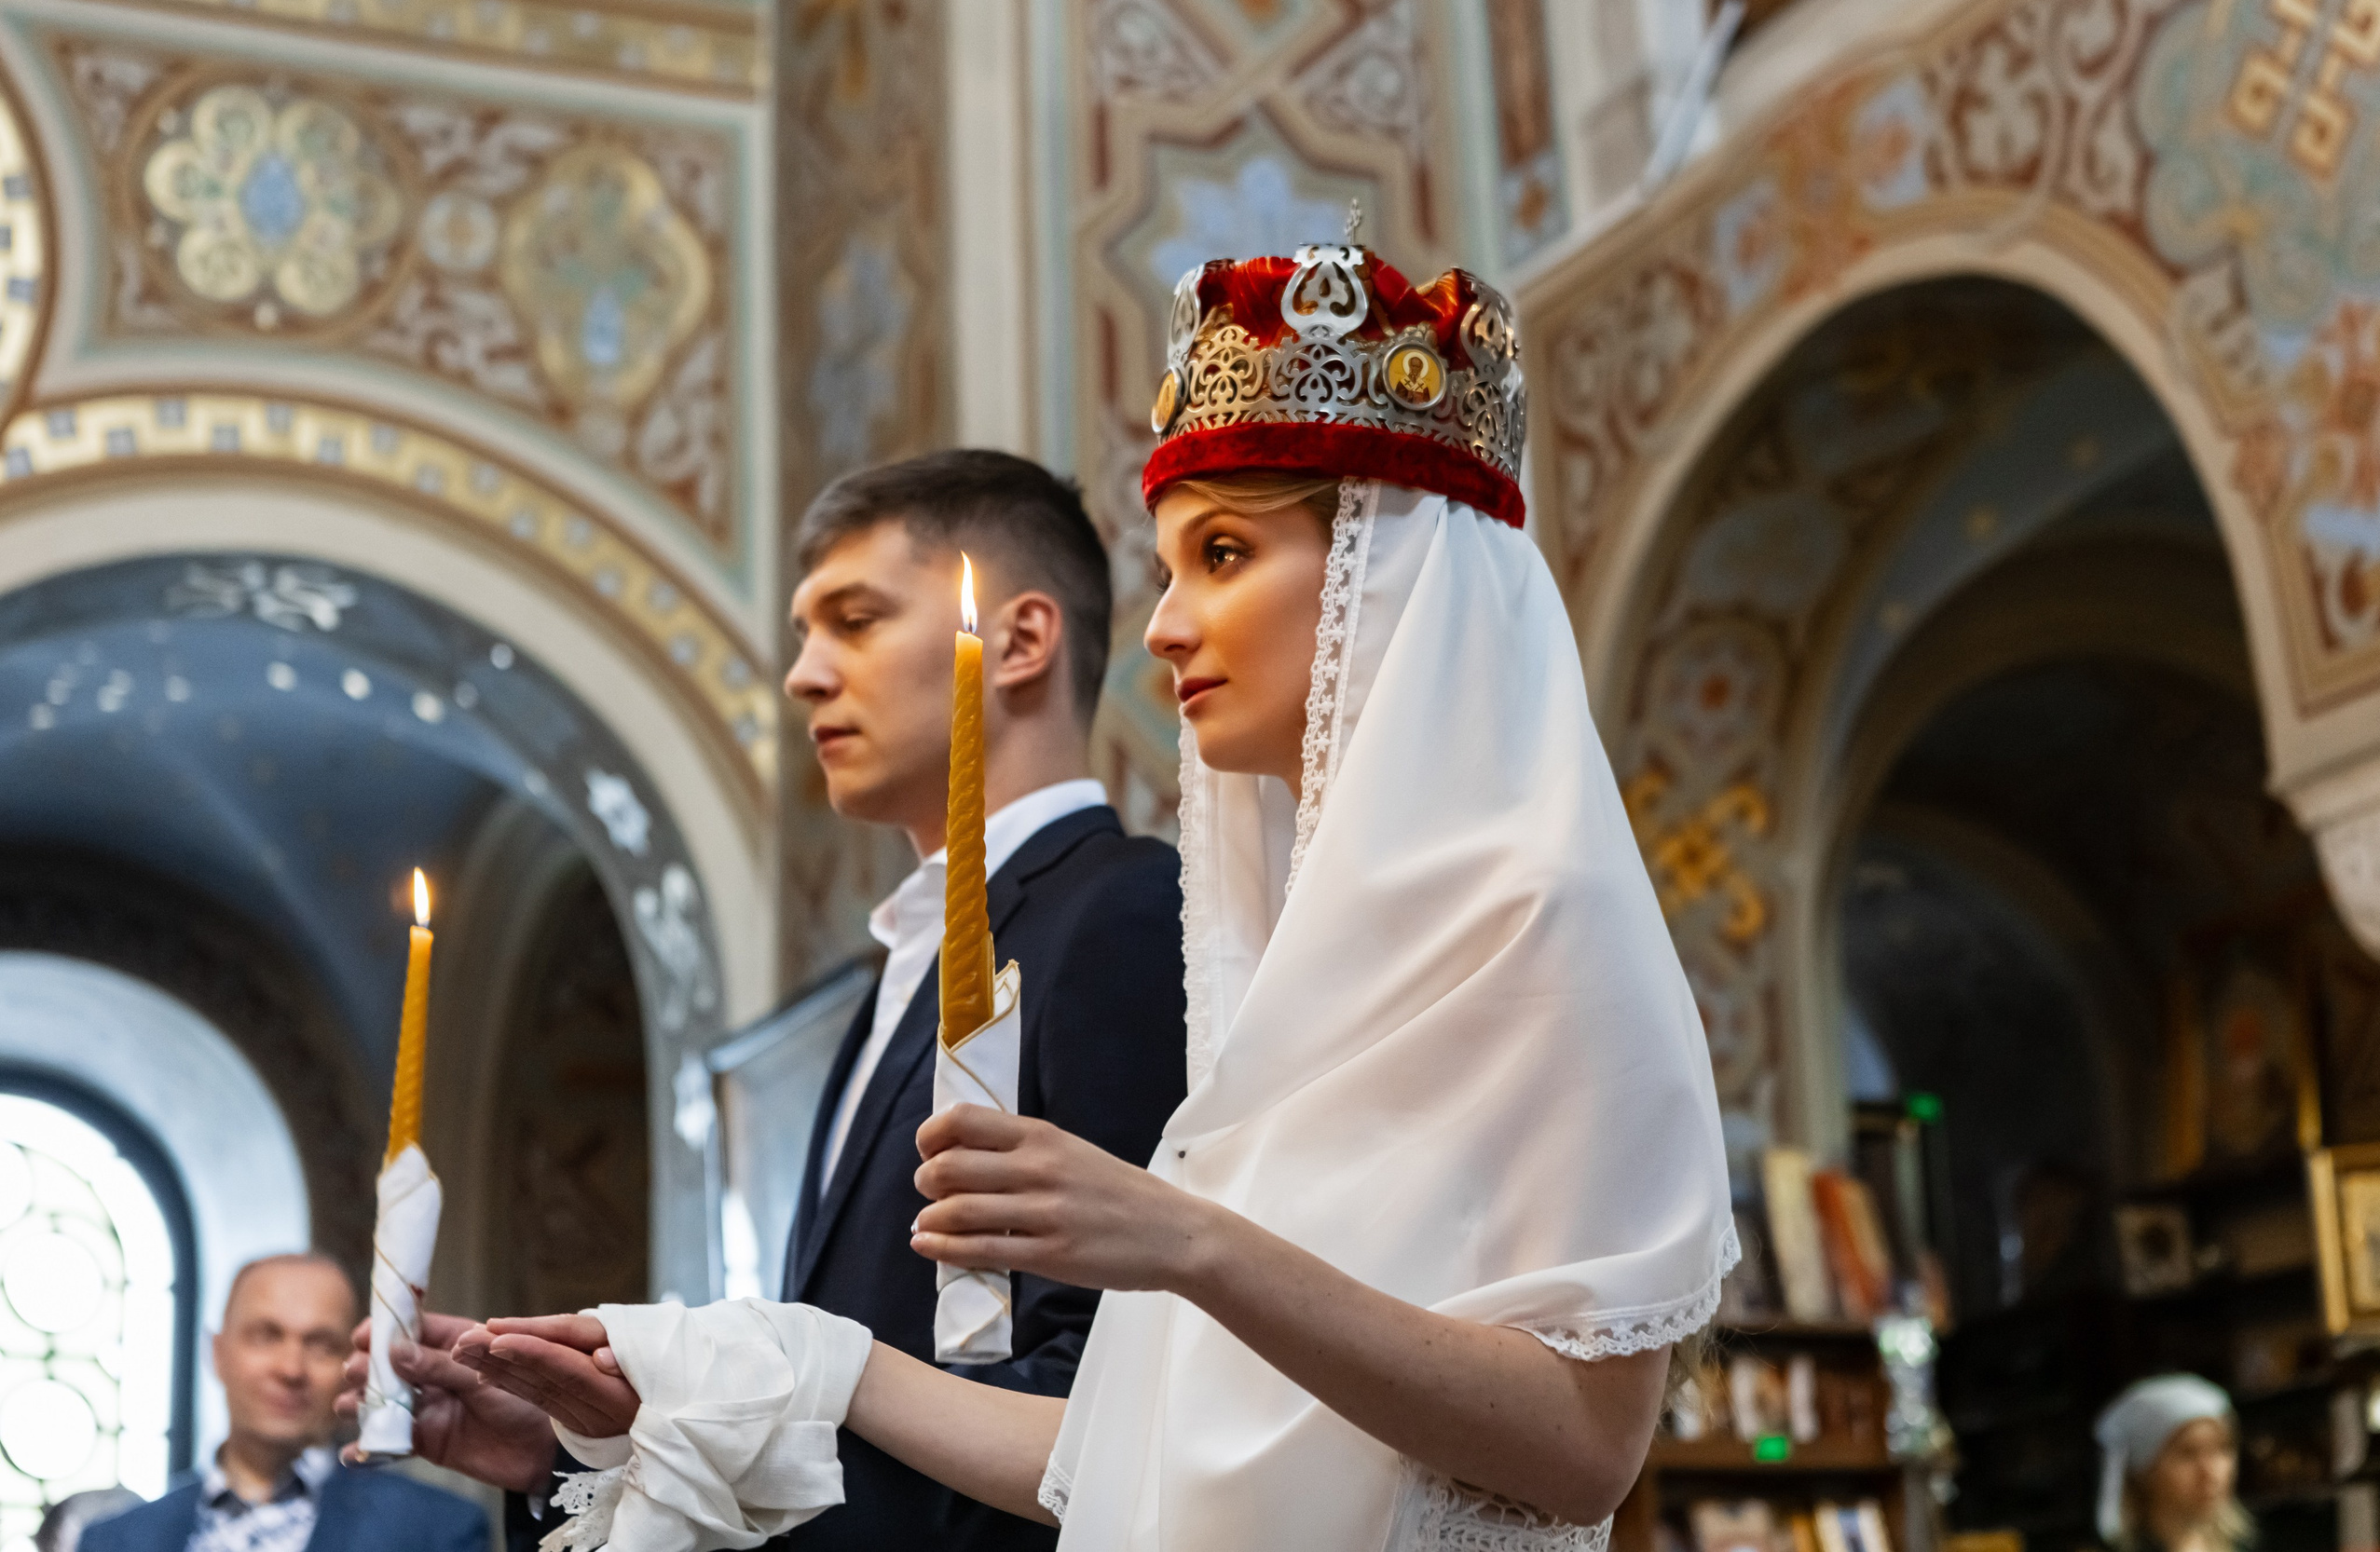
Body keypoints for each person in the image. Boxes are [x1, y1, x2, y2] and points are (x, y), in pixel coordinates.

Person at [423, 235, 1736, 1550]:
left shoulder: (1539, 914)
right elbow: (1118, 1452)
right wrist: (785, 1368)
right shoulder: (1278, 970)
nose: (1165, 624)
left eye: (1223, 553)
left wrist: (1190, 1241)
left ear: (1382, 573)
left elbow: (1585, 1444)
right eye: (1170, 566)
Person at [350, 449, 1189, 1552]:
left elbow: (1109, 1387)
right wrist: (579, 1452)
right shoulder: (897, 968)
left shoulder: (1117, 915)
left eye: (854, 618)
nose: (803, 673)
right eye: (803, 633)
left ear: (1021, 640)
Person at [85, 1254, 482, 1552]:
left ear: (353, 1366)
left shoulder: (436, 1531)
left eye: (321, 1345)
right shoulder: (113, 1541)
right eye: (266, 1336)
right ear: (218, 1353)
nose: (291, 1369)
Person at [2094, 1376, 2250, 1552]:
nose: (2211, 1472)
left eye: (2222, 1449)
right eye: (2188, 1453)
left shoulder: (2249, 1544)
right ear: (2143, 1469)